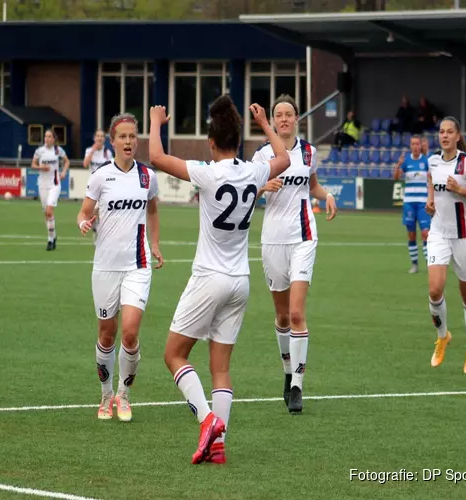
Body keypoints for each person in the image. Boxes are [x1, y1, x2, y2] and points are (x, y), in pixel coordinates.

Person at [149, 96, 291, 464]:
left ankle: (207, 419)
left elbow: (157, 159)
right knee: (221, 368)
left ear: (211, 143)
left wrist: (156, 124)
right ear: (239, 140)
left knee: (174, 354)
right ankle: (218, 446)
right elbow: (285, 159)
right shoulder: (254, 171)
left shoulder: (208, 172)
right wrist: (265, 125)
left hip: (209, 278)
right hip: (240, 281)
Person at [251, 94, 337, 415]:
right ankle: (287, 373)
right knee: (282, 316)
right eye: (279, 115)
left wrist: (326, 195)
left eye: (289, 114)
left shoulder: (309, 152)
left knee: (298, 314)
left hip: (303, 237)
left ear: (297, 119)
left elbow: (312, 185)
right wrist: (262, 188)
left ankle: (298, 385)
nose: (284, 119)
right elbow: (245, 190)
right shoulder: (262, 156)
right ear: (273, 121)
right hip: (272, 240)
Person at [76, 113, 164, 423]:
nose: (128, 141)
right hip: (104, 267)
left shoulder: (147, 177)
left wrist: (154, 244)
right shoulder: (101, 176)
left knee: (129, 333)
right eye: (122, 136)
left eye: (132, 136)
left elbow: (152, 211)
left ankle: (124, 395)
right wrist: (84, 222)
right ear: (113, 142)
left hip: (137, 266)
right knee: (107, 335)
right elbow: (84, 212)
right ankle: (105, 395)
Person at [425, 116, 466, 375]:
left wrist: (460, 190)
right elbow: (431, 182)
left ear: (458, 135)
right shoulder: (433, 161)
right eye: (442, 132)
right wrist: (430, 202)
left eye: (450, 132)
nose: (445, 136)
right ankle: (443, 336)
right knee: (434, 290)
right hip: (439, 233)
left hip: (463, 236)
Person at [393, 135, 431, 274]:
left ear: (421, 146)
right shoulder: (406, 161)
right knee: (411, 235)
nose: (415, 146)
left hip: (423, 204)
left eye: (417, 144)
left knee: (426, 233)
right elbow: (396, 178)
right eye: (413, 144)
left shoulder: (426, 161)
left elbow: (432, 178)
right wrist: (398, 165)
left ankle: (429, 264)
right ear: (410, 146)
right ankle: (414, 265)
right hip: (409, 203)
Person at [31, 130, 69, 251]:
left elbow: (67, 161)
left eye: (49, 137)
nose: (47, 139)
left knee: (49, 210)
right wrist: (40, 167)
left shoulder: (58, 150)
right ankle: (53, 235)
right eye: (46, 137)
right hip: (42, 184)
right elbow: (33, 165)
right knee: (47, 214)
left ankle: (50, 240)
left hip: (55, 184)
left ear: (54, 139)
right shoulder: (39, 151)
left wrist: (63, 172)